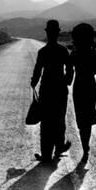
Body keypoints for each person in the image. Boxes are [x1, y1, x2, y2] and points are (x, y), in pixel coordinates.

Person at [31, 20, 73, 163]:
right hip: (60, 89)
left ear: (47, 33)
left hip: (46, 90)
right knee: (59, 119)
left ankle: (46, 154)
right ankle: (59, 147)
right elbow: (69, 69)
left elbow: (37, 70)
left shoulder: (42, 52)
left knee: (46, 121)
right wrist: (67, 80)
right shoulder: (63, 51)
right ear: (58, 33)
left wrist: (33, 82)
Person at [69, 23, 96, 161]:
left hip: (79, 85)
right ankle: (86, 147)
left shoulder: (75, 54)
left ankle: (85, 147)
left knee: (81, 118)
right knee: (88, 116)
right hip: (90, 85)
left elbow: (69, 70)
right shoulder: (93, 54)